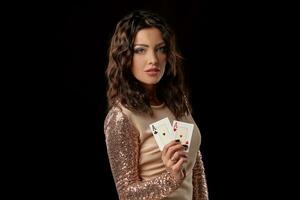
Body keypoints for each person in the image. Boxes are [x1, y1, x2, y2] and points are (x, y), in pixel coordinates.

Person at [103, 10, 208, 200]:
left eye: (161, 49)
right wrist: (171, 178)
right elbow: (127, 194)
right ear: (125, 57)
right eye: (140, 50)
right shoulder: (121, 116)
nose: (153, 59)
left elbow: (196, 169)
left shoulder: (177, 101)